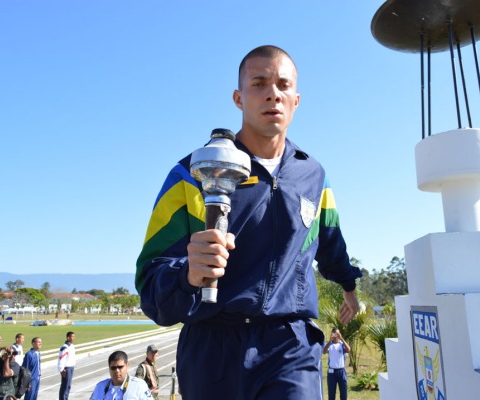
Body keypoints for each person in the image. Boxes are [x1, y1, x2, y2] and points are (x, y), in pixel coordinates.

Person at [135, 45, 362, 399]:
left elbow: (330, 244)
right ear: (238, 98)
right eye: (259, 83)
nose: (273, 92)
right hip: (213, 348)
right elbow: (152, 285)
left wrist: (349, 287)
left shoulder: (313, 175)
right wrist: (188, 274)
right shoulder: (193, 172)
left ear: (296, 100)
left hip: (290, 343)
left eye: (283, 85)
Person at [323, 327, 351, 400]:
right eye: (334, 334)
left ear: (340, 334)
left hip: (341, 371)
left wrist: (341, 339)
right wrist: (329, 340)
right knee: (331, 394)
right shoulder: (330, 344)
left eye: (337, 334)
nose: (336, 336)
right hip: (332, 372)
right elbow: (324, 351)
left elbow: (348, 349)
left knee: (343, 393)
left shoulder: (342, 344)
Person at [57, 331, 76, 400]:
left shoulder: (72, 346)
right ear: (68, 337)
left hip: (71, 367)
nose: (73, 338)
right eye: (72, 336)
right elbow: (61, 359)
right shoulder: (65, 347)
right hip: (66, 369)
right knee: (65, 386)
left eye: (74, 336)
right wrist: (61, 370)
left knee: (68, 386)